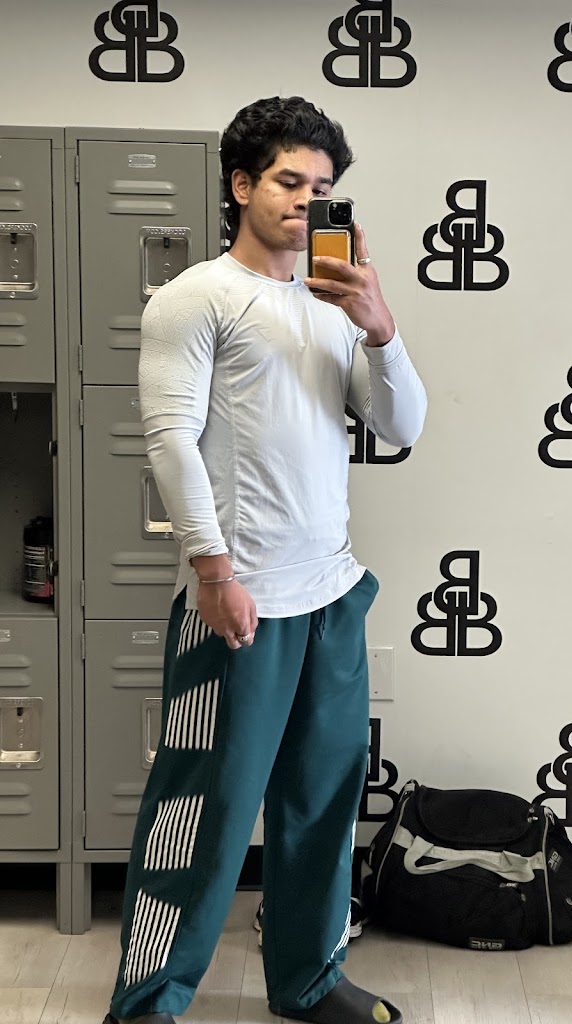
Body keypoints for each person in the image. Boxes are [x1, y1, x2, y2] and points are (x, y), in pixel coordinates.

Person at [102, 96, 427, 1024]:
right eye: (289, 180)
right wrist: (212, 572)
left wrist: (380, 325)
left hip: (331, 594)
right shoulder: (195, 297)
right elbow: (170, 439)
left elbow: (402, 425)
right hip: (239, 598)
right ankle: (149, 1002)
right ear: (242, 185)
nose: (306, 200)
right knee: (200, 812)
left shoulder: (336, 307)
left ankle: (309, 981)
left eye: (322, 186)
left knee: (323, 803)